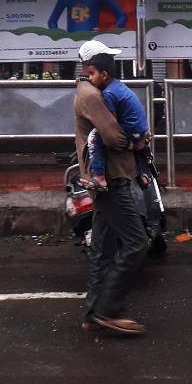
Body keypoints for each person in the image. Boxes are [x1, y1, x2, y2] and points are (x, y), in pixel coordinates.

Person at [74, 40, 149, 337]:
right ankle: (109, 309)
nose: (110, 65)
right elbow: (113, 137)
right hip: (112, 179)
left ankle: (94, 314)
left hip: (104, 177)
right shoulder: (92, 95)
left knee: (103, 249)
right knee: (136, 242)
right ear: (95, 68)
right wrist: (136, 143)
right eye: (106, 60)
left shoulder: (90, 90)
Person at [82, 47, 152, 193]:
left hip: (132, 131)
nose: (89, 78)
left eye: (91, 74)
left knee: (95, 137)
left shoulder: (108, 94)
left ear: (104, 75)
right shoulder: (118, 85)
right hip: (141, 129)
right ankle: (143, 174)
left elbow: (112, 123)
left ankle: (99, 176)